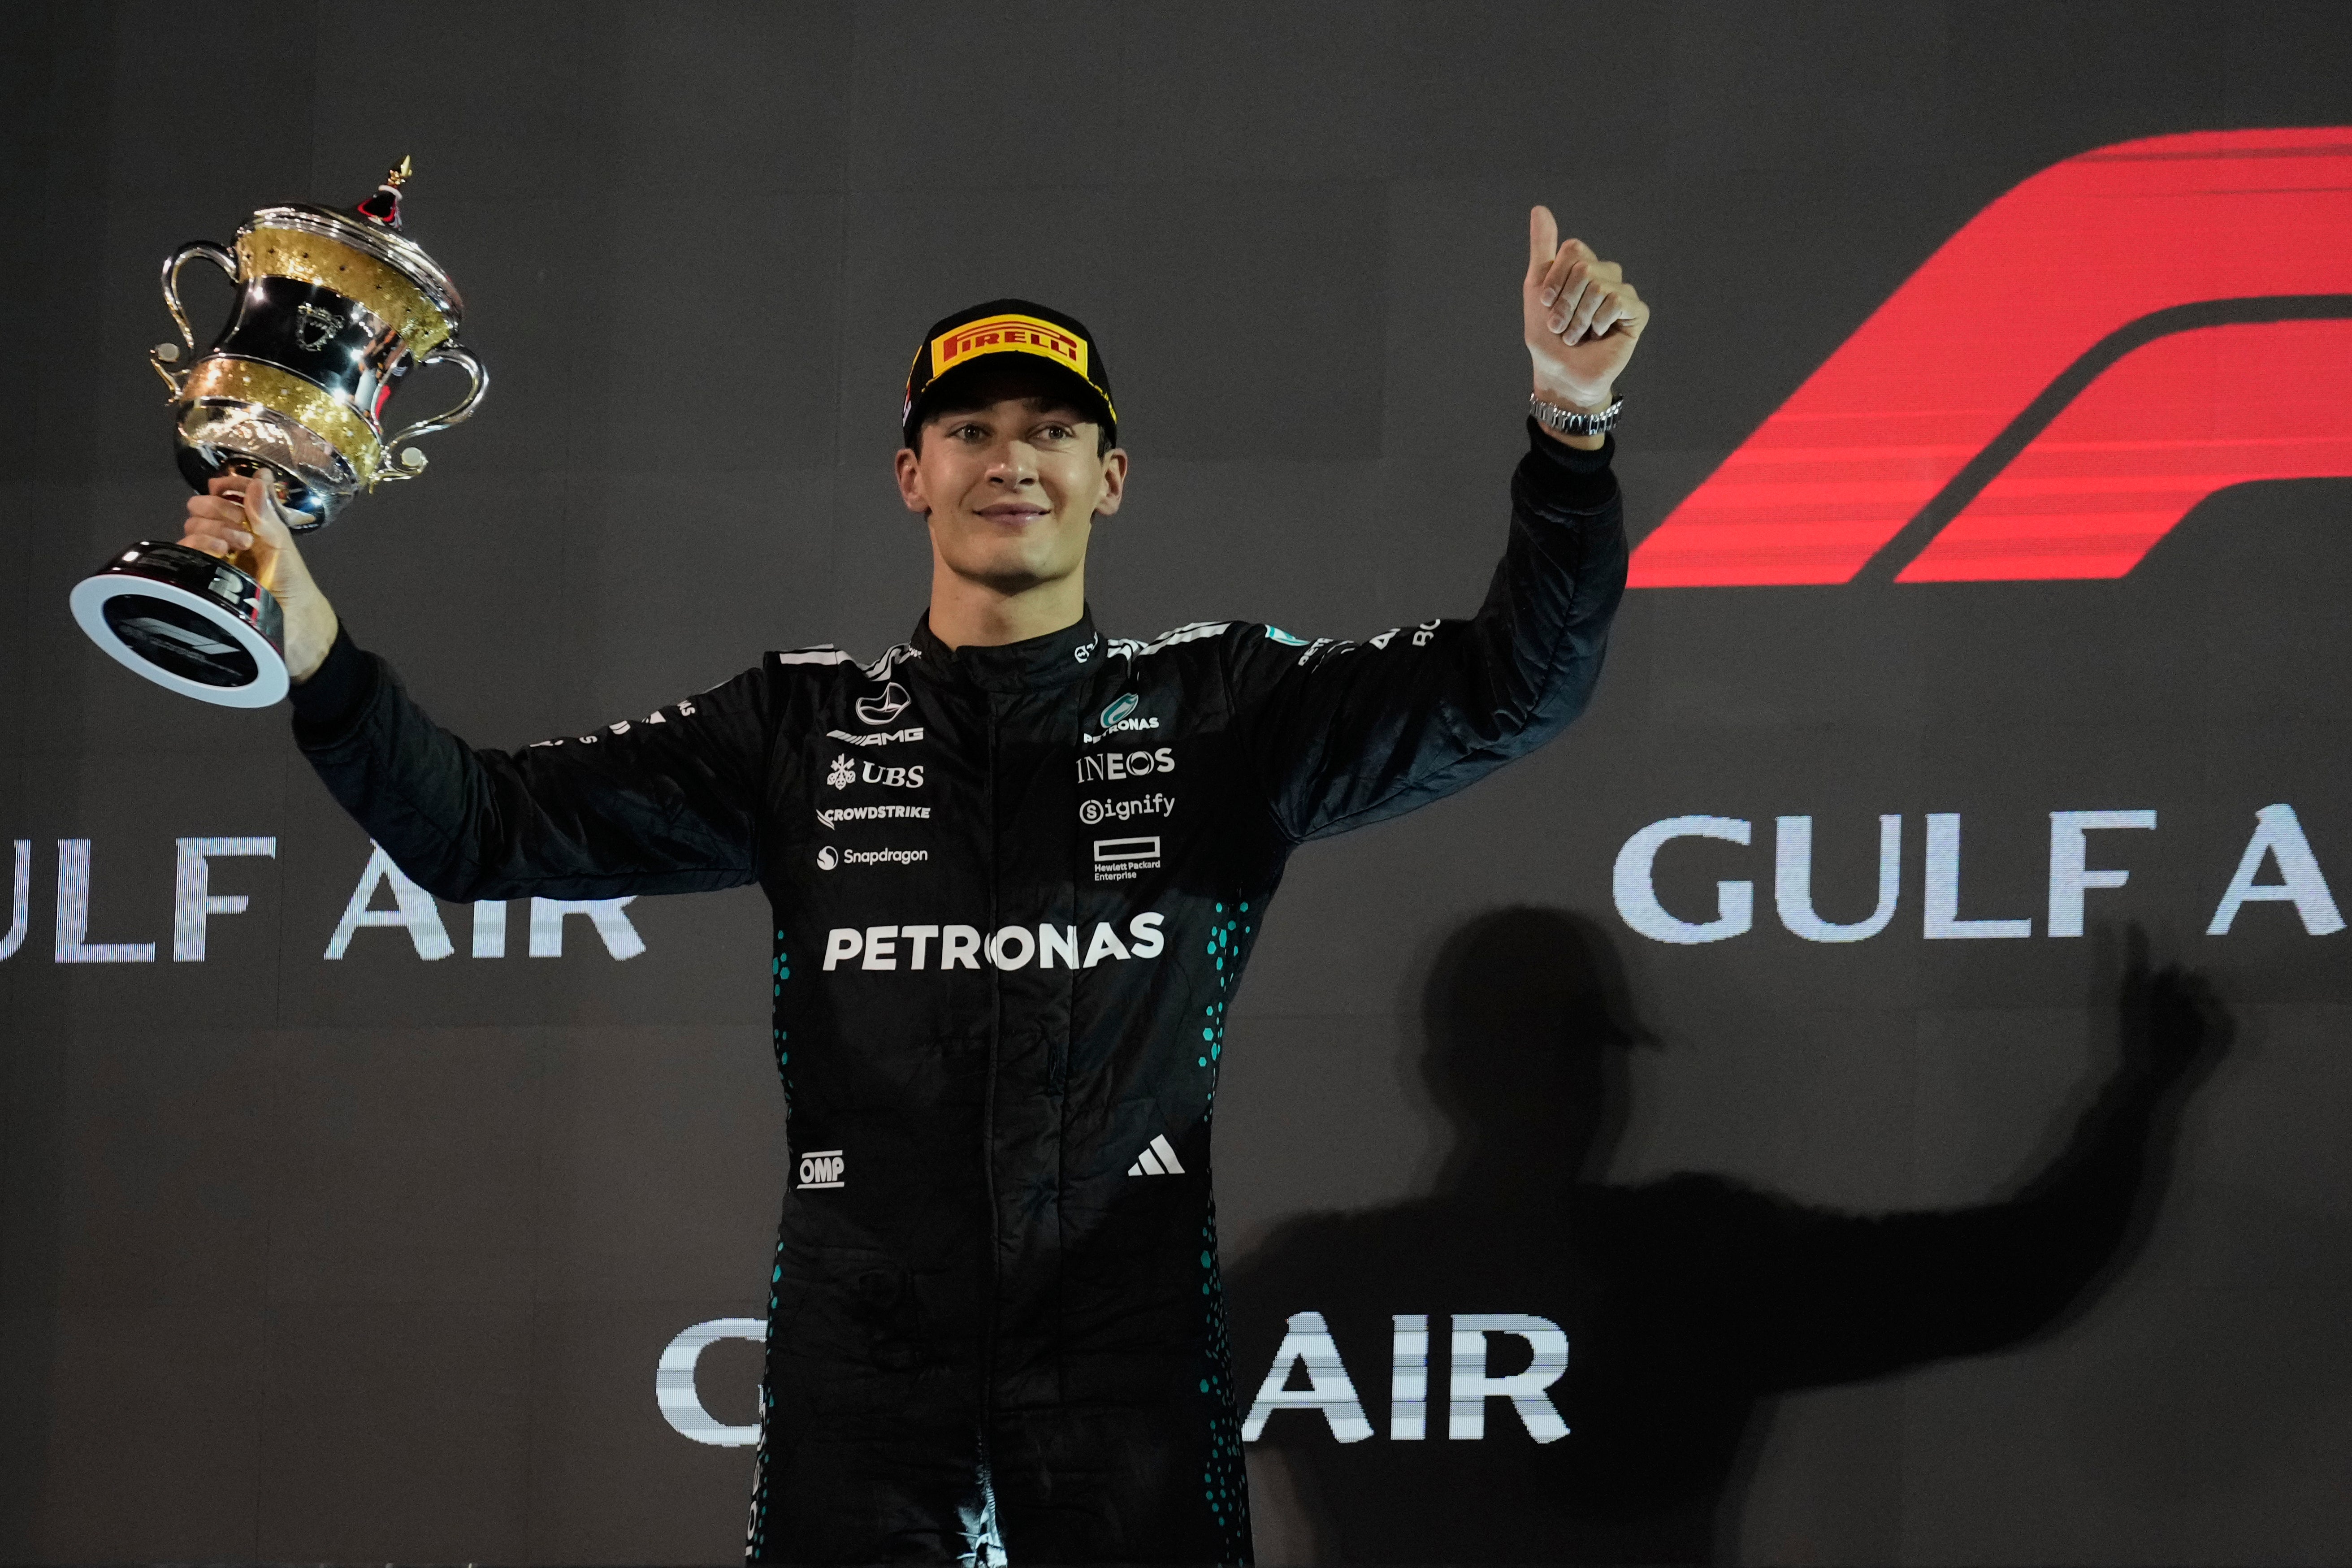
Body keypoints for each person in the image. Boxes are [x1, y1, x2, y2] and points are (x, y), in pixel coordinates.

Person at [173, 208, 1645, 1566]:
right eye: (969, 427)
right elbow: (480, 831)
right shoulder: (796, 727)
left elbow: (1511, 687)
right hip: (863, 1321)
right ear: (911, 473)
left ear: (1108, 479)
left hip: (1120, 1324)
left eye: (1052, 430)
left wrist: (1567, 429)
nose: (1010, 457)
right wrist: (313, 644)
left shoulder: (1216, 709)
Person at [1230, 915, 2233, 1564]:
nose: (1577, 1091)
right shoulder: (1685, 1264)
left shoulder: (1320, 1287)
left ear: (1444, 1071)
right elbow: (2007, 1279)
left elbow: (2005, 1280)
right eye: (1566, 1056)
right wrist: (2141, 1096)